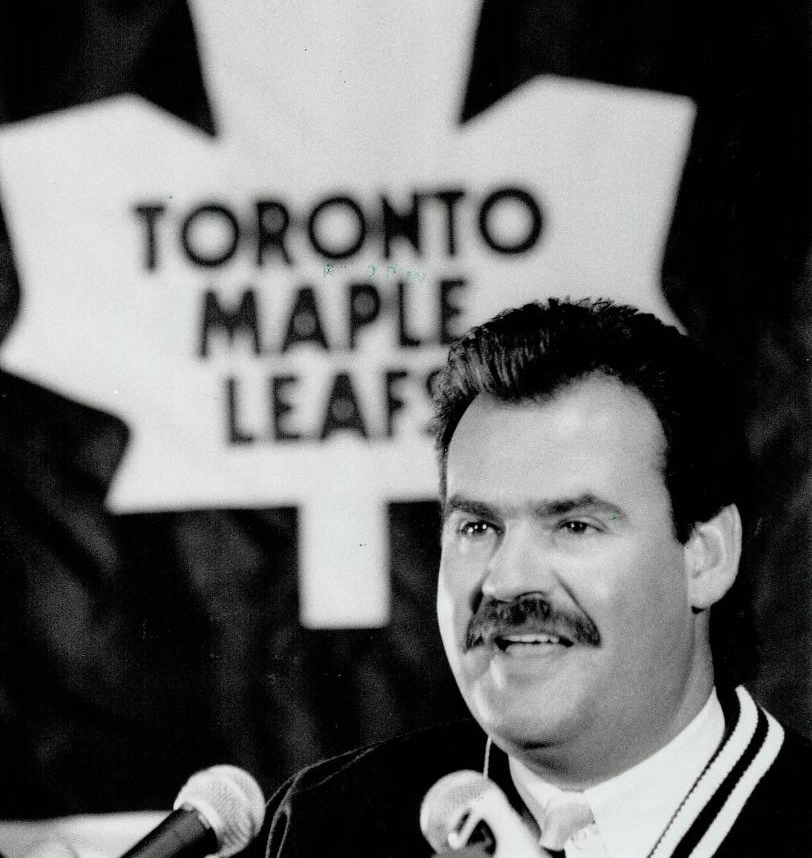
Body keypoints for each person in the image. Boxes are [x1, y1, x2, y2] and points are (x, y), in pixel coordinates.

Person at [263, 299, 811, 857]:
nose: (506, 580)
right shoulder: (327, 825)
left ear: (706, 557)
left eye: (574, 525)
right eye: (477, 527)